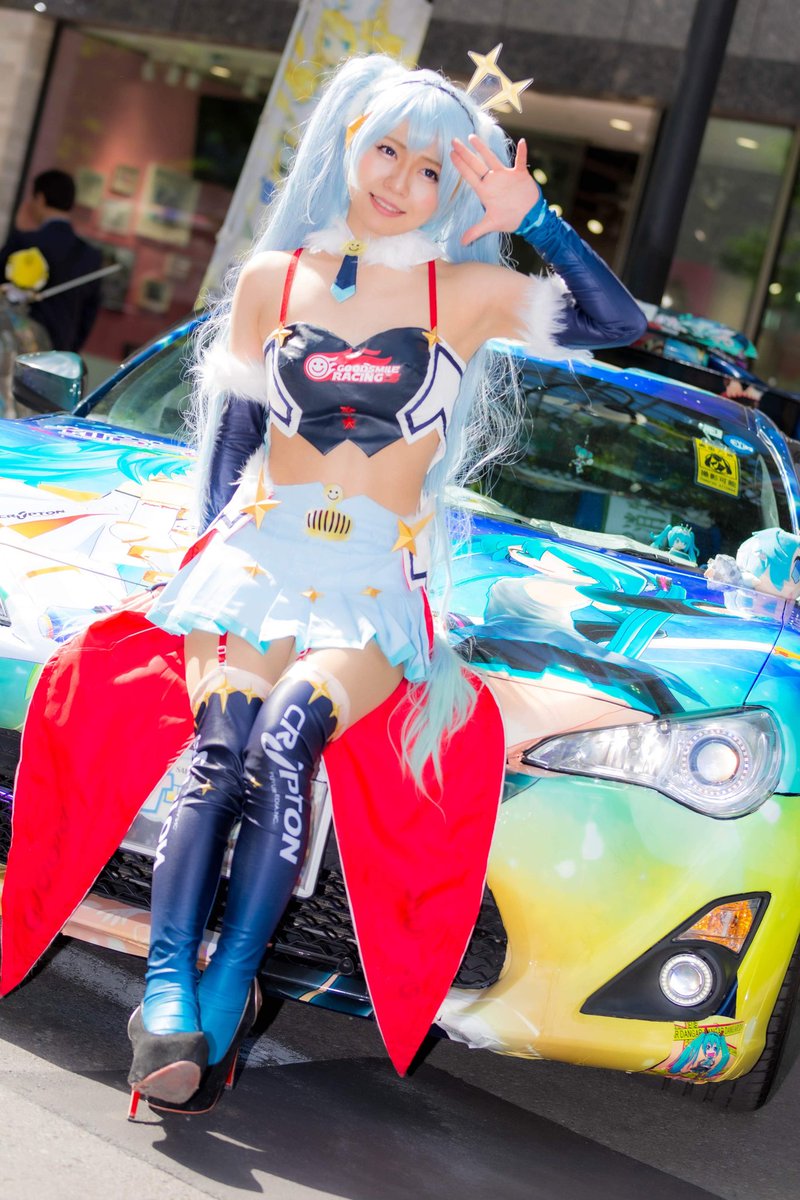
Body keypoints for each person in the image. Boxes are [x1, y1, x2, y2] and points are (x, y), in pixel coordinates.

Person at [0, 52, 645, 1116]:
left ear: (449, 193)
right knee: (218, 749)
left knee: (283, 746)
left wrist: (534, 219)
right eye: (384, 150)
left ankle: (224, 984)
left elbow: (617, 323)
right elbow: (234, 437)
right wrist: (199, 572)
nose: (398, 181)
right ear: (348, 146)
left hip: (371, 579)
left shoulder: (468, 294)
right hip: (257, 558)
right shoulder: (274, 279)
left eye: (428, 170)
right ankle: (165, 993)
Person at [0, 168, 102, 352]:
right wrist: (68, 350)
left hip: (17, 347)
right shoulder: (91, 256)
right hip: (59, 351)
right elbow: (88, 316)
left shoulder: (24, 242)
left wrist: (17, 230)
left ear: (40, 198)